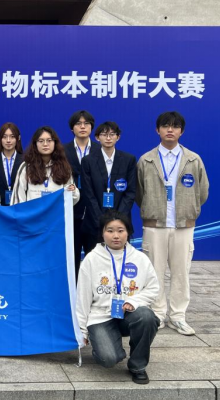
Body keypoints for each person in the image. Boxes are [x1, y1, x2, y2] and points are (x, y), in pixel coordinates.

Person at [136, 111, 209, 335]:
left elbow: (203, 191)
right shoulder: (146, 160)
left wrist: (189, 209)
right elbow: (139, 192)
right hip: (154, 225)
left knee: (181, 272)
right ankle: (157, 314)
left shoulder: (193, 159)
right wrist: (151, 208)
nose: (170, 130)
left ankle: (177, 316)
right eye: (165, 126)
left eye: (175, 126)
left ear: (181, 131)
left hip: (183, 226)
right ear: (157, 130)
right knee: (154, 271)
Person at [76, 210, 160, 384]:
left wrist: (133, 301)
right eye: (110, 231)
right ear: (102, 233)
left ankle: (138, 366)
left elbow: (153, 288)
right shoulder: (91, 259)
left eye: (121, 230)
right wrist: (81, 330)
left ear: (128, 232)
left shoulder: (140, 258)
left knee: (147, 317)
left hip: (128, 314)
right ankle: (106, 344)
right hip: (100, 316)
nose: (116, 236)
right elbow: (82, 298)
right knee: (108, 358)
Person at [81, 122, 137, 258]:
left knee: (120, 261)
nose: (108, 138)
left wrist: (118, 220)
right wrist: (102, 221)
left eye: (112, 134)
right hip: (94, 223)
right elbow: (88, 194)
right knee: (95, 261)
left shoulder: (128, 160)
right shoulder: (88, 161)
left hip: (121, 224)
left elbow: (130, 193)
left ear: (118, 137)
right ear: (97, 137)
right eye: (104, 134)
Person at [64, 111, 101, 274]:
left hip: (94, 213)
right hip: (71, 213)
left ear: (92, 127)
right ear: (72, 128)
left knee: (95, 260)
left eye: (86, 123)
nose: (83, 127)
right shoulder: (62, 151)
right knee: (71, 260)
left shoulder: (100, 150)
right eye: (78, 123)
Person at [10, 126, 79, 205]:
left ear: (55, 143)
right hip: (33, 212)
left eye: (49, 140)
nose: (45, 144)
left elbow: (72, 199)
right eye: (41, 141)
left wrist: (73, 191)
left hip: (55, 212)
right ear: (35, 144)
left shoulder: (63, 166)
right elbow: (17, 199)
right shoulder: (26, 167)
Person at [0, 123, 24, 206]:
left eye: (12, 137)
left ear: (18, 138)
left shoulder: (25, 161)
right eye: (4, 137)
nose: (8, 140)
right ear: (0, 139)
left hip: (20, 206)